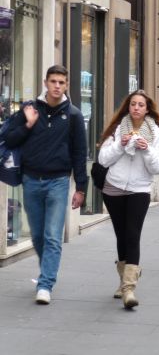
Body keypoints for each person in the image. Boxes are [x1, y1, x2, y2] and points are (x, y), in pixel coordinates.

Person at [3, 65, 87, 305]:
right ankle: (46, 271)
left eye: (61, 82)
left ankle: (45, 283)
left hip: (59, 182)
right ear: (45, 82)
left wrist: (81, 188)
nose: (57, 86)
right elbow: (9, 139)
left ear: (66, 85)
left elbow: (80, 153)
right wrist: (27, 124)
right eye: (53, 81)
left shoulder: (73, 115)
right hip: (31, 181)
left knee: (52, 236)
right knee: (38, 235)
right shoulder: (30, 110)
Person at [97, 90, 159, 309]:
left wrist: (146, 150)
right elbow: (103, 159)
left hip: (139, 190)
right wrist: (120, 144)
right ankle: (124, 279)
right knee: (121, 235)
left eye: (141, 105)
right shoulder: (118, 129)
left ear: (148, 109)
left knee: (132, 234)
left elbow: (158, 167)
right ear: (128, 107)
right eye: (133, 104)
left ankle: (129, 288)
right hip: (114, 188)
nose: (136, 108)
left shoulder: (156, 134)